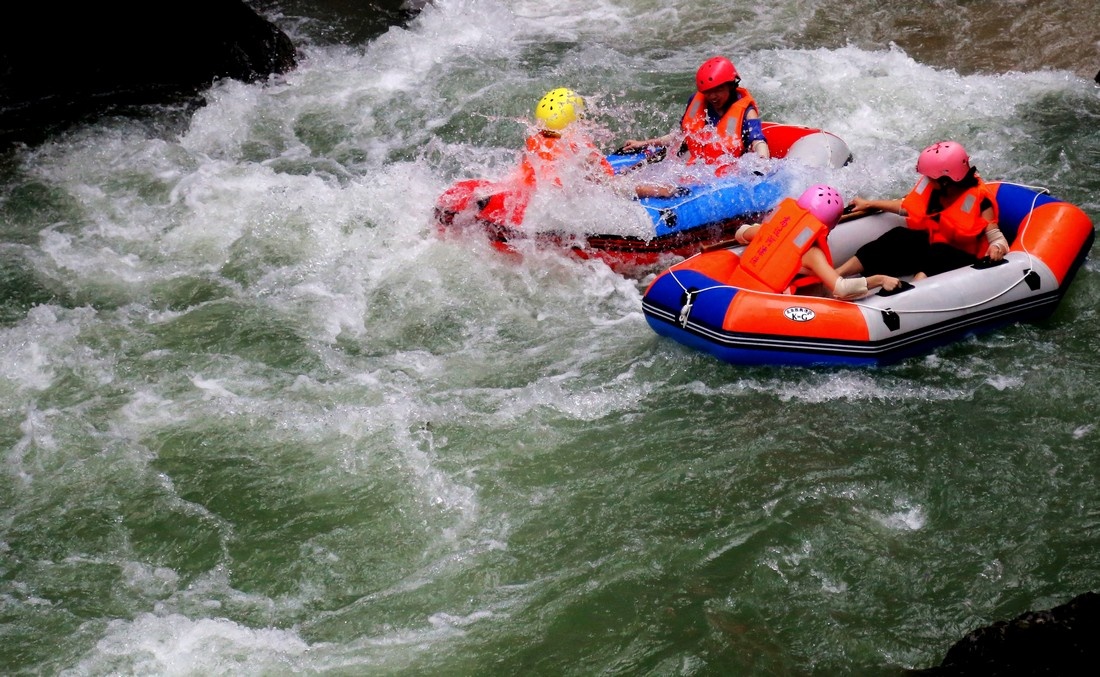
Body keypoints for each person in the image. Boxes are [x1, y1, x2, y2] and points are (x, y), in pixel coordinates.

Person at [836, 141, 1010, 286]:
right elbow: (907, 207)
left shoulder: (980, 201)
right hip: (934, 244)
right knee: (899, 236)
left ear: (946, 181)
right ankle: (836, 276)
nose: (926, 180)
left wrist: (996, 248)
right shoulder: (935, 189)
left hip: (962, 256)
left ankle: (912, 290)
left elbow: (997, 239)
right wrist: (870, 204)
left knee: (940, 253)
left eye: (930, 177)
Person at [729, 184, 899, 300]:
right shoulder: (812, 254)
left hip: (741, 291)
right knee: (825, 287)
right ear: (829, 226)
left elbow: (740, 233)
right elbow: (842, 289)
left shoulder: (768, 231)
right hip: (773, 305)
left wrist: (764, 227)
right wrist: (879, 280)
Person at [519, 87, 682, 199]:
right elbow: (611, 185)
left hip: (538, 202)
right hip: (567, 207)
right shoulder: (578, 148)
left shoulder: (534, 140)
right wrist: (656, 190)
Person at [619, 56, 770, 172]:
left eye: (718, 90)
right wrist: (644, 143)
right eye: (708, 92)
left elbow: (758, 142)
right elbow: (682, 136)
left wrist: (762, 163)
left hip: (727, 171)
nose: (713, 97)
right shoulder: (697, 102)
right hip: (697, 166)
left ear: (731, 85)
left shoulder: (747, 112)